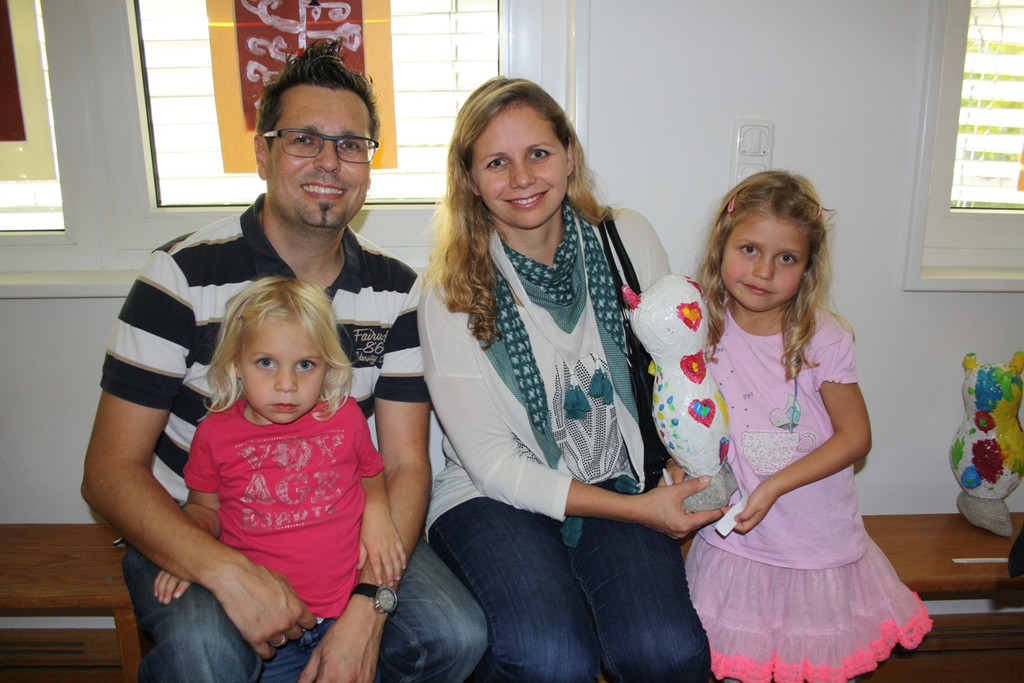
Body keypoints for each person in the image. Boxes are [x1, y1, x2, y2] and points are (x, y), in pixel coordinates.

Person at [81, 40, 485, 683]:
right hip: (206, 525)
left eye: (351, 144)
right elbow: (109, 472)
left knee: (455, 636)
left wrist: (370, 604)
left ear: (368, 166)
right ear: (263, 153)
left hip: (342, 522)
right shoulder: (180, 275)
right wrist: (227, 572)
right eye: (304, 139)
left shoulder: (396, 292)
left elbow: (406, 464)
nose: (329, 161)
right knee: (207, 655)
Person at [418, 76, 721, 683]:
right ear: (470, 179)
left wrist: (680, 460)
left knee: (667, 652)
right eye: (496, 163)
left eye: (538, 153)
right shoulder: (449, 290)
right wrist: (639, 512)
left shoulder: (626, 239)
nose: (522, 178)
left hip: (618, 473)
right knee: (551, 658)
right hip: (489, 496)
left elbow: (675, 361)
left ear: (569, 155)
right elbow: (494, 466)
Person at [685, 170, 932, 683]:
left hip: (814, 545)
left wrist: (775, 484)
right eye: (749, 249)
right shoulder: (698, 327)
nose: (763, 271)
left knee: (817, 667)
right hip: (736, 549)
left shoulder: (823, 337)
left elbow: (856, 438)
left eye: (786, 259)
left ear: (807, 267)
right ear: (721, 244)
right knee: (738, 669)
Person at [152, 276, 406, 682]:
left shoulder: (344, 418)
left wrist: (377, 516)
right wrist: (184, 552)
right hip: (268, 626)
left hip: (342, 616)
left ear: (327, 366)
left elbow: (371, 476)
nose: (286, 385)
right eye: (266, 363)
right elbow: (203, 508)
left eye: (305, 365)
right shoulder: (214, 434)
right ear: (236, 363)